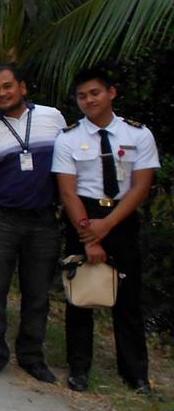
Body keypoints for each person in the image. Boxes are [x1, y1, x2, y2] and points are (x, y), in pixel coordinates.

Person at [53, 69, 158, 394]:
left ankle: (135, 373)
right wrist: (88, 233)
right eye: (82, 96)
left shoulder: (138, 134)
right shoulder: (68, 137)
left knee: (128, 301)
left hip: (122, 217)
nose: (88, 100)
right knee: (81, 297)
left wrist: (108, 226)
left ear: (111, 93)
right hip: (82, 216)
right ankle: (79, 368)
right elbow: (68, 191)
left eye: (94, 93)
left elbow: (141, 186)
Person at [0, 64, 66, 382]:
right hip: (1, 219)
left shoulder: (53, 118)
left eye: (7, 86)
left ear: (22, 87)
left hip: (43, 220)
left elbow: (66, 169)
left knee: (37, 293)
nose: (1, 93)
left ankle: (31, 356)